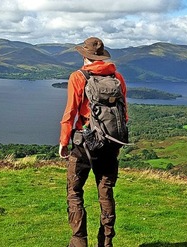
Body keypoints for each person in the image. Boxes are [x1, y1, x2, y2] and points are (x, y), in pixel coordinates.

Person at [59, 37, 127, 247]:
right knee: (106, 191)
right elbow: (123, 114)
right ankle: (106, 243)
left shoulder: (78, 77)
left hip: (84, 143)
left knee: (75, 191)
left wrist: (63, 141)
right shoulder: (117, 77)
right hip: (110, 142)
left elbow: (71, 111)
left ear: (84, 55)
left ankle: (79, 241)